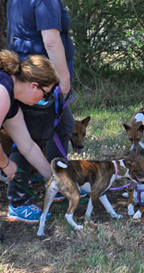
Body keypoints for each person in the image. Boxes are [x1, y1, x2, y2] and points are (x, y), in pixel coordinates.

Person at [6, 0, 84, 222]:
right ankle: (18, 201)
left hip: (31, 74)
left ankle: (56, 182)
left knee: (64, 125)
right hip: (39, 80)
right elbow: (50, 41)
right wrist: (64, 80)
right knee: (27, 136)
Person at [0, 50, 58, 226]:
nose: (45, 99)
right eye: (46, 93)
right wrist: (5, 164)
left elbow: (28, 147)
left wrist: (55, 178)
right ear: (33, 85)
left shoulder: (12, 102)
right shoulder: (3, 92)